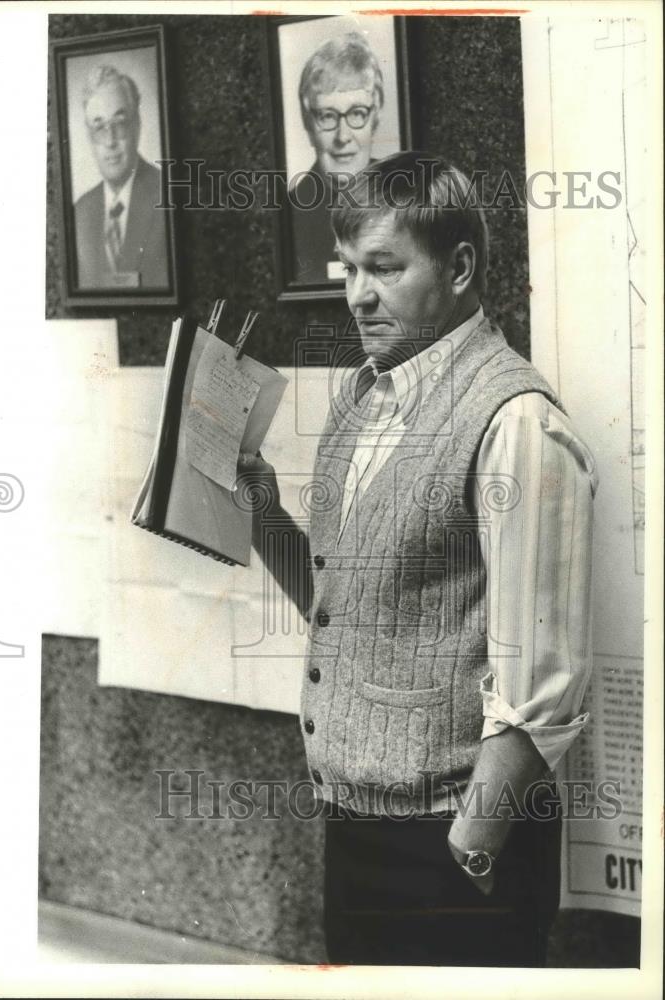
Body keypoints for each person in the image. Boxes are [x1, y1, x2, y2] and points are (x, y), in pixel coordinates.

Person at [238, 151, 598, 966]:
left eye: (386, 269)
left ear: (460, 266)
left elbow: (542, 681)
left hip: (454, 849)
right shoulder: (365, 397)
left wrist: (471, 844)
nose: (359, 295)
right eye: (351, 269)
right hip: (353, 827)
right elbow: (341, 605)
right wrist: (260, 509)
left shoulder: (515, 422)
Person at [289, 32, 384, 284]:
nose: (343, 136)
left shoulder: (406, 203)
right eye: (328, 116)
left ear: (375, 116)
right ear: (308, 122)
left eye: (357, 113)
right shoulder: (288, 216)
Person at [74, 65, 169, 290]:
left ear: (137, 125)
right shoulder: (79, 213)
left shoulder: (170, 196)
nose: (110, 141)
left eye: (120, 124)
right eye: (99, 127)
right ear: (89, 137)